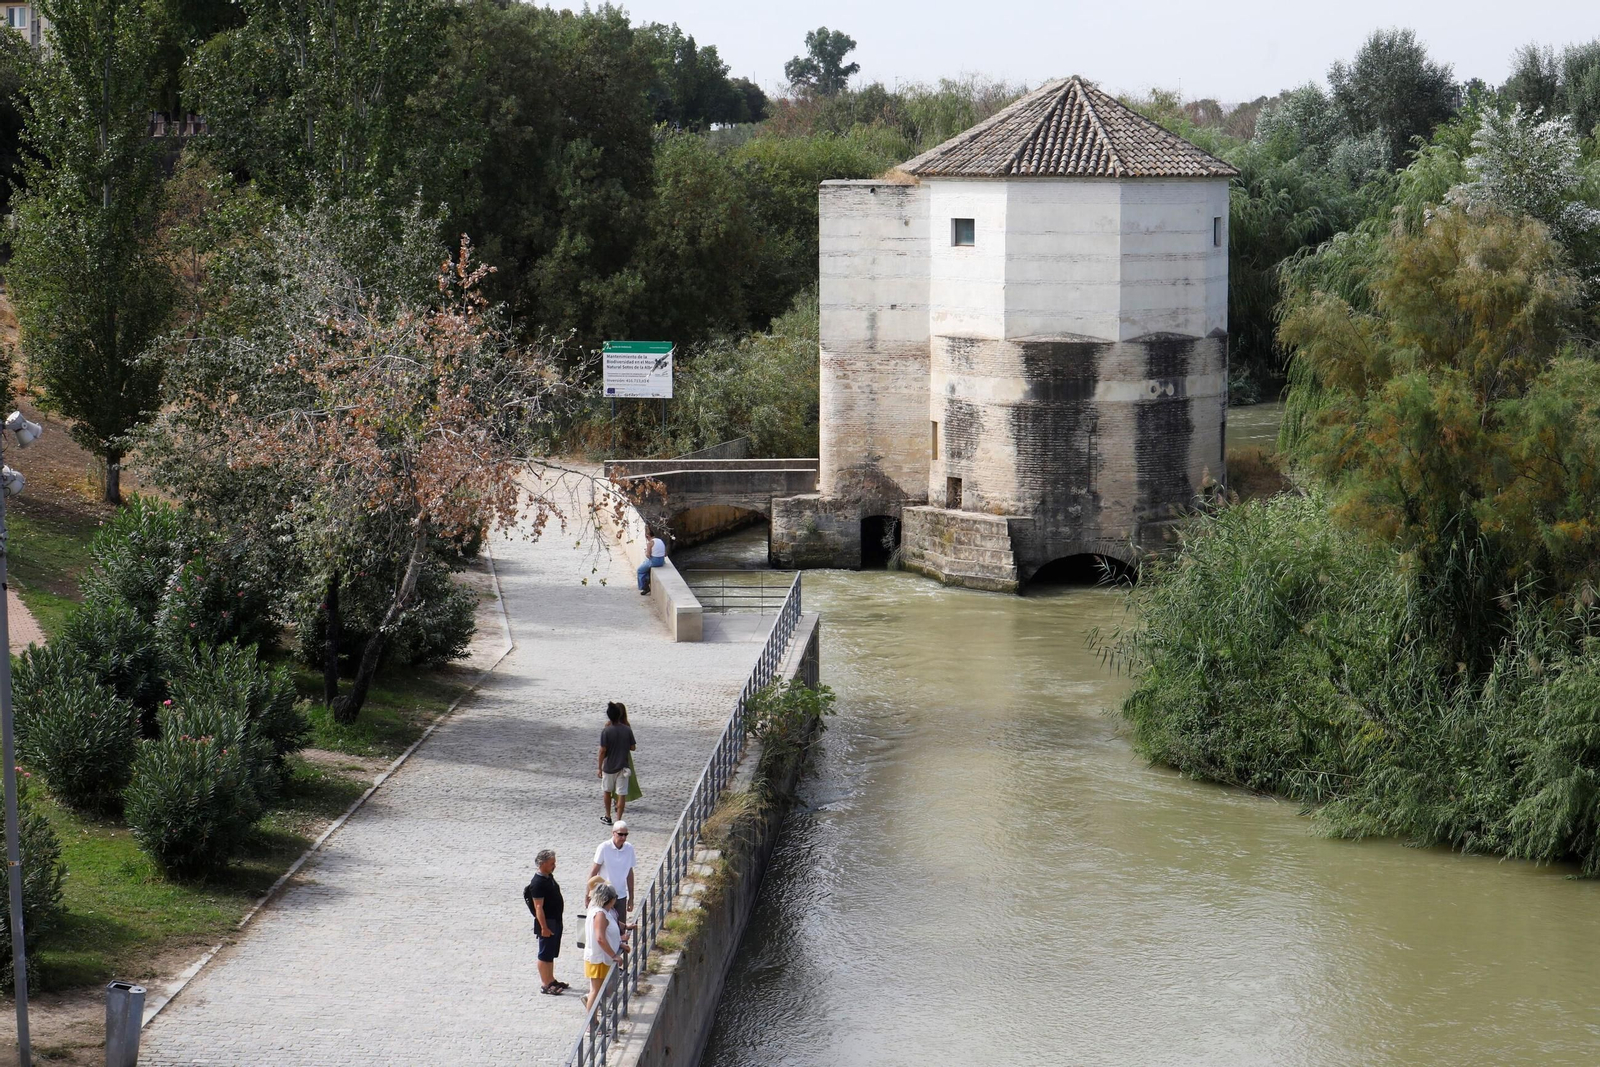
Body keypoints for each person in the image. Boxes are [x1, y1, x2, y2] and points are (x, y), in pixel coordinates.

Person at [524, 849, 568, 996]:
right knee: (544, 954)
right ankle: (545, 984)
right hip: (547, 922)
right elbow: (538, 907)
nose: (554, 866)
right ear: (542, 864)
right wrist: (544, 927)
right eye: (551, 863)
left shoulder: (548, 877)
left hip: (555, 920)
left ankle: (551, 979)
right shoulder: (537, 883)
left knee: (551, 952)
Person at [583, 883, 626, 1010]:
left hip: (601, 957)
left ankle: (595, 1021)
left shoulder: (602, 912)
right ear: (611, 900)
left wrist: (620, 944)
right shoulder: (600, 914)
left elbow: (609, 934)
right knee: (595, 992)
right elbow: (600, 938)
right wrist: (614, 955)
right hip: (598, 958)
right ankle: (592, 1025)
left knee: (598, 991)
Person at [587, 822, 636, 926]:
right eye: (620, 834)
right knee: (602, 925)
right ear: (613, 833)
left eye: (625, 835)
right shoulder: (604, 847)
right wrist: (587, 895)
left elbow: (629, 873)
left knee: (620, 927)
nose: (623, 837)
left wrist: (631, 897)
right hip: (604, 895)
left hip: (621, 895)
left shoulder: (629, 848)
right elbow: (594, 872)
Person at [598, 701, 637, 824]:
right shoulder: (627, 729)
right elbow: (633, 747)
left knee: (607, 791)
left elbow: (602, 750)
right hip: (623, 766)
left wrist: (599, 767)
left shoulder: (606, 731)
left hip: (609, 766)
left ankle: (608, 816)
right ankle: (618, 820)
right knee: (621, 793)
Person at [636, 529, 667, 595]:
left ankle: (644, 587)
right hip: (661, 561)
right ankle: (647, 580)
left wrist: (646, 552)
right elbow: (665, 554)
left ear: (648, 536)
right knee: (646, 568)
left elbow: (648, 555)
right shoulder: (660, 540)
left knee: (640, 570)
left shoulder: (650, 543)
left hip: (654, 561)